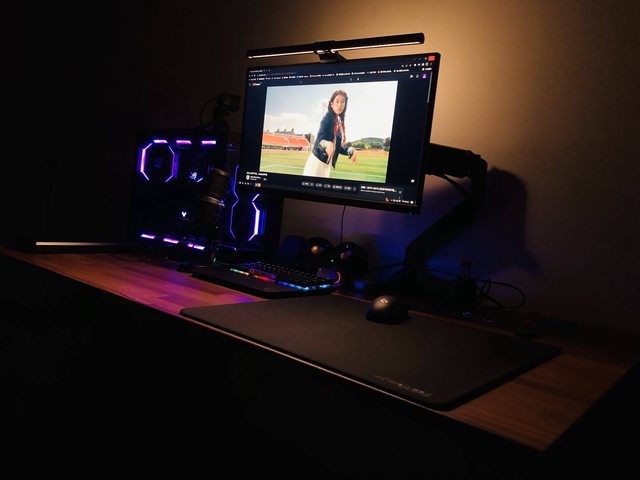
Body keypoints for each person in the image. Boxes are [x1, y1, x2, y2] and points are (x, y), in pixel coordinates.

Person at [303, 89, 357, 178]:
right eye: (337, 101)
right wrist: (326, 143)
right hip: (316, 163)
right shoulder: (328, 117)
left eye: (342, 102)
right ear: (332, 104)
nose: (340, 104)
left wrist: (350, 150)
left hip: (326, 165)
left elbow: (337, 147)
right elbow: (319, 140)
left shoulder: (338, 122)